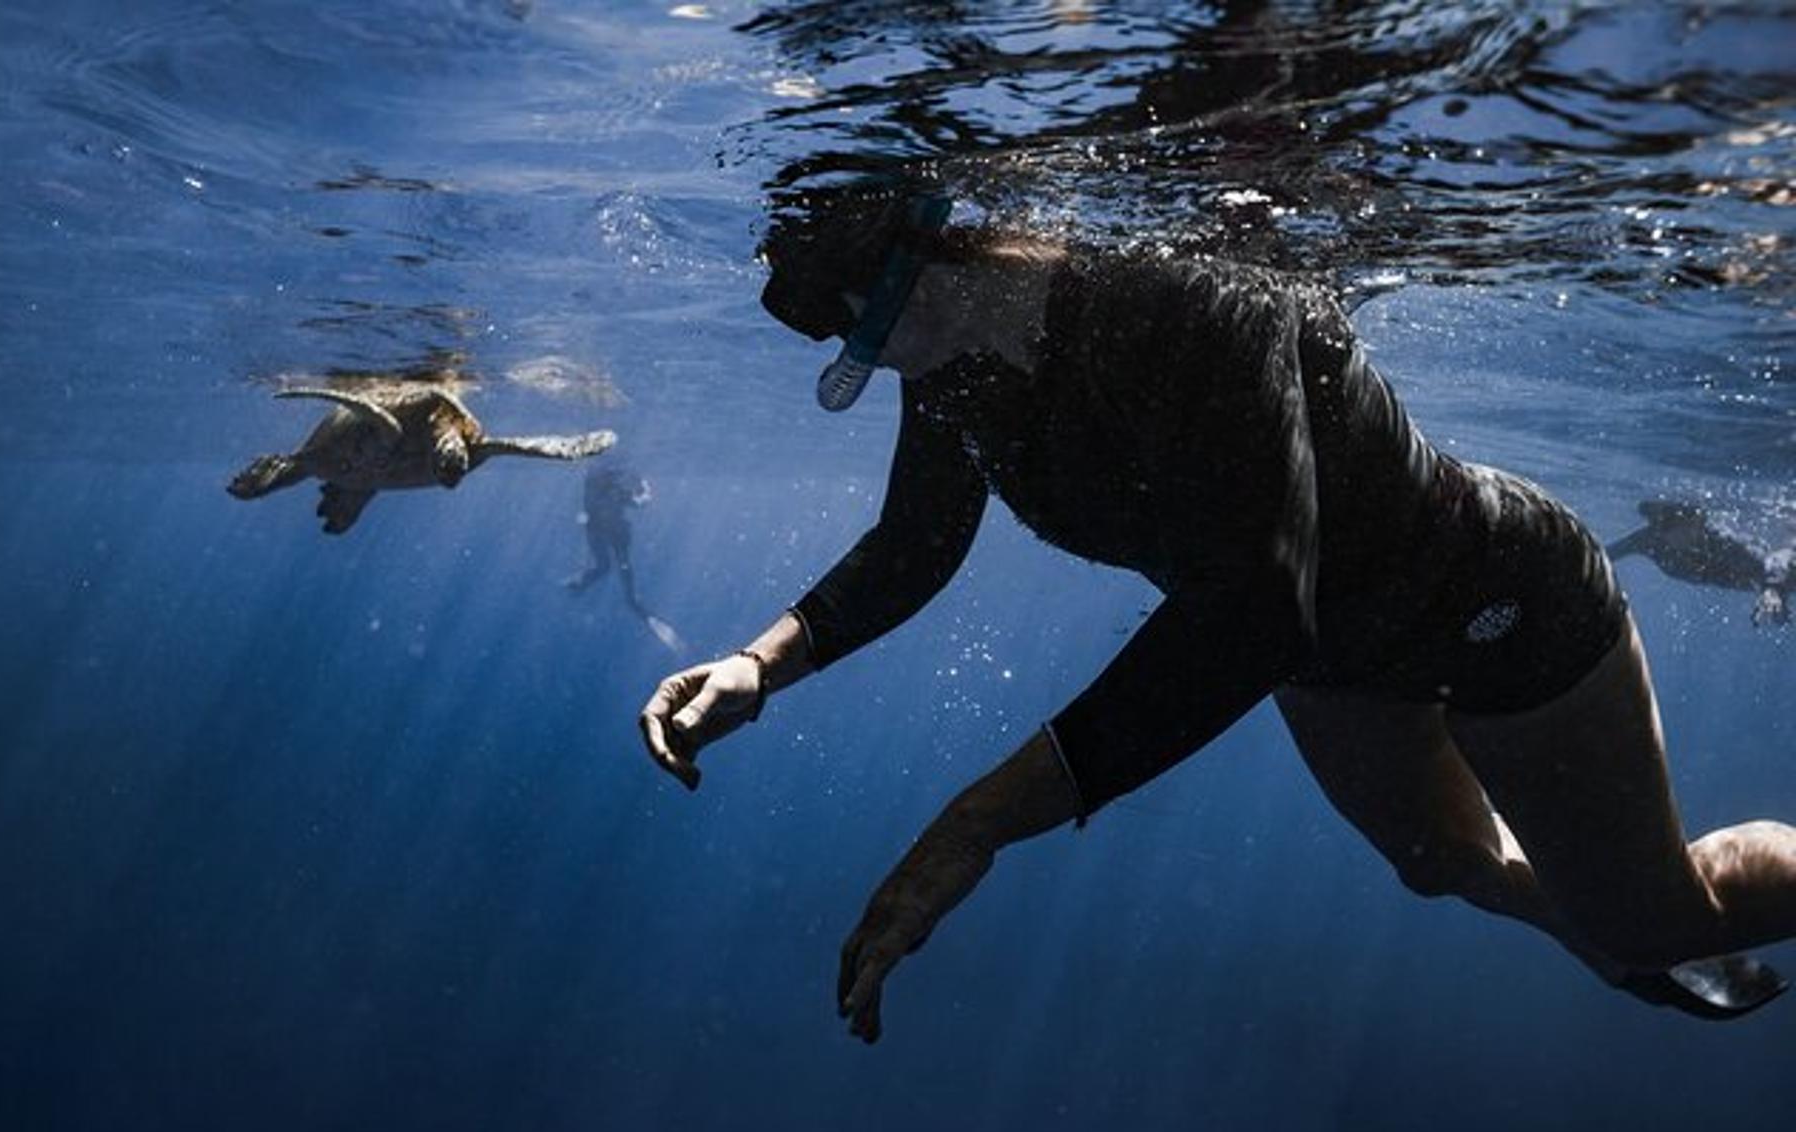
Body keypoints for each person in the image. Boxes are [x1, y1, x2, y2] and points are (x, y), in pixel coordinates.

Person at [637, 184, 1796, 1041]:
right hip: (1335, 657)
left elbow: (1253, 611)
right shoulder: (953, 370)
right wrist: (759, 664)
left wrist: (981, 820)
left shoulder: (1189, 300)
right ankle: (1604, 934)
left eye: (851, 322)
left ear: (923, 258)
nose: (858, 355)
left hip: (1490, 600)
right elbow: (912, 544)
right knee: (1441, 865)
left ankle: (1632, 933)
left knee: (1661, 919)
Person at [1608, 497, 1792, 628]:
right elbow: (1602, 555)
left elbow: (1771, 563)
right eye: (1661, 523)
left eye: (1674, 522)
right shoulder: (1648, 538)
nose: (1663, 529)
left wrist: (1773, 592)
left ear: (1697, 522)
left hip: (1774, 575)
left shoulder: (1721, 541)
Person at [565, 462, 684, 652]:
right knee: (620, 574)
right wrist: (645, 486)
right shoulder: (614, 492)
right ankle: (635, 606)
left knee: (604, 567)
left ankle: (581, 584)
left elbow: (590, 513)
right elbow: (641, 502)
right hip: (615, 533)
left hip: (601, 532)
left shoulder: (596, 493)